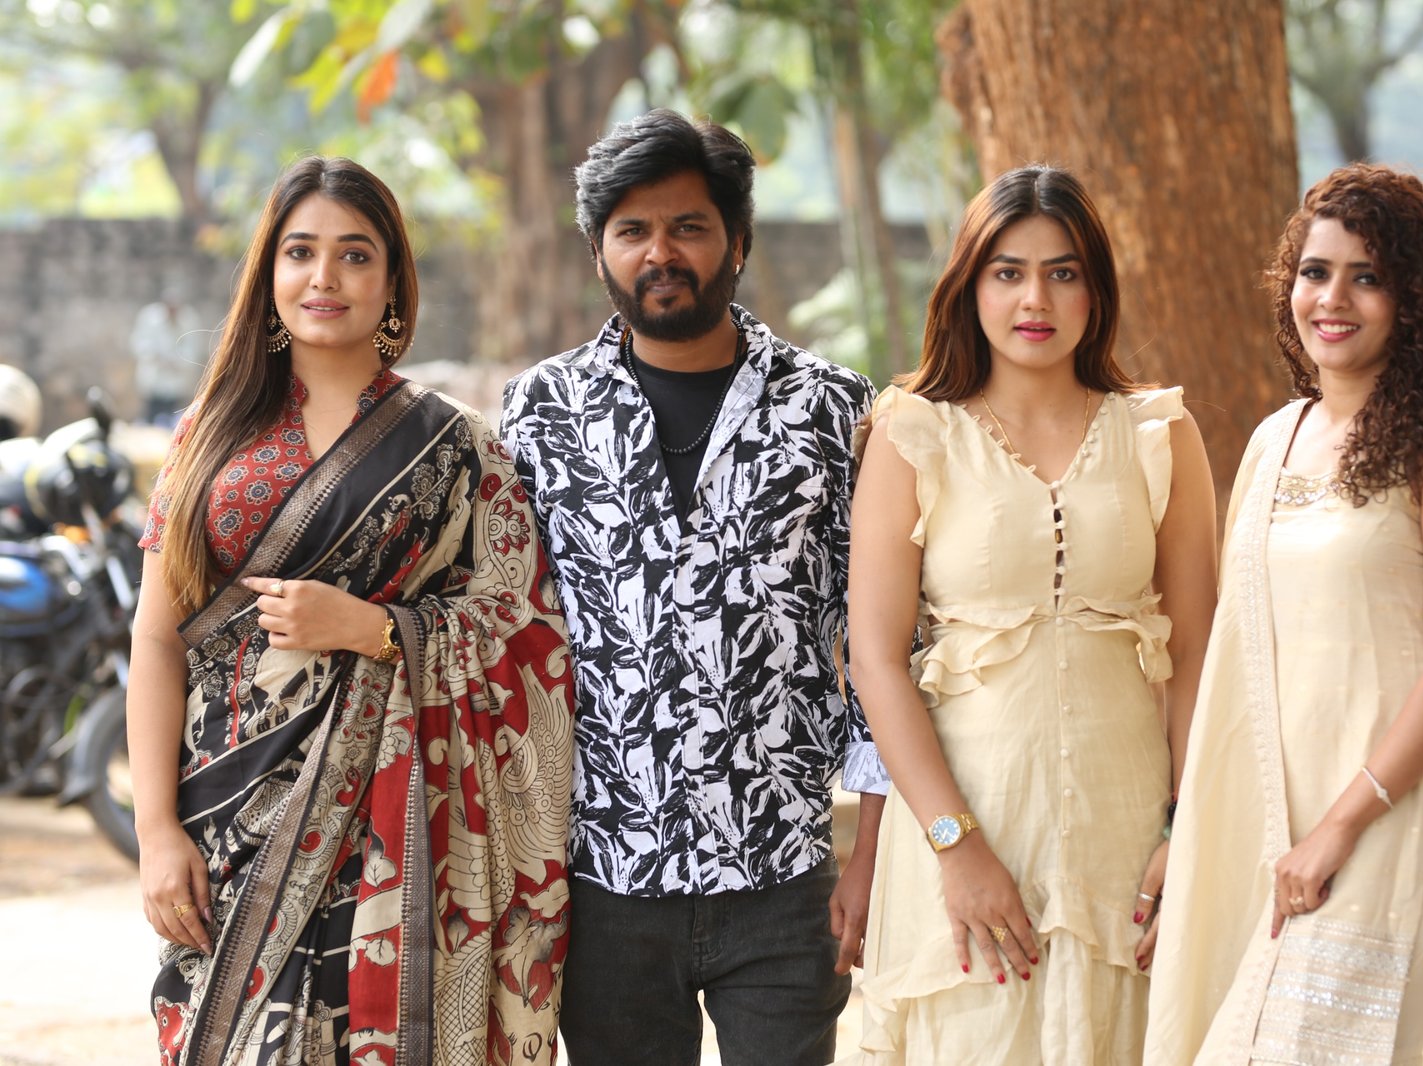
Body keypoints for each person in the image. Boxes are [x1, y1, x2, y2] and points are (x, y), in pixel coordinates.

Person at [127, 156, 574, 1066]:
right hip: (226, 822)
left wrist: (373, 631)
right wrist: (156, 832)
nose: (323, 277)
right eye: (300, 252)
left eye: (355, 254)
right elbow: (156, 639)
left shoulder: (456, 446)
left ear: (393, 281)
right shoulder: (209, 433)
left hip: (392, 834)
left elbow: (526, 634)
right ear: (269, 273)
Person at [499, 108, 888, 1066]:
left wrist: (871, 854)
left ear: (738, 241)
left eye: (688, 227)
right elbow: (507, 631)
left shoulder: (834, 410)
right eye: (632, 230)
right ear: (599, 252)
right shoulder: (541, 411)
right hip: (604, 883)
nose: (660, 253)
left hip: (784, 876)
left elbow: (887, 643)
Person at [844, 165, 1218, 1064]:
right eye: (1008, 272)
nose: (1035, 299)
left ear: (1097, 288)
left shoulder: (1160, 433)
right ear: (970, 286)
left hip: (1128, 841)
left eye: (1063, 272)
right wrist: (955, 848)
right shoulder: (914, 432)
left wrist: (1186, 830)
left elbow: (1201, 652)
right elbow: (876, 661)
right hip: (970, 829)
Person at [1145, 164, 1423, 1066]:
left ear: (1416, 299)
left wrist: (1341, 826)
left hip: (1386, 827)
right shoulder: (1275, 439)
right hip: (1262, 830)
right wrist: (1184, 833)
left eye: (1368, 276)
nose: (1333, 299)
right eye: (1316, 272)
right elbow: (1236, 658)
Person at [129, 286, 208, 427]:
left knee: (174, 421)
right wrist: (156, 358)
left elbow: (193, 350)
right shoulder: (149, 317)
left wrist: (177, 361)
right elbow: (139, 344)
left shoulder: (189, 320)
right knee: (150, 419)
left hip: (177, 383)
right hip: (153, 380)